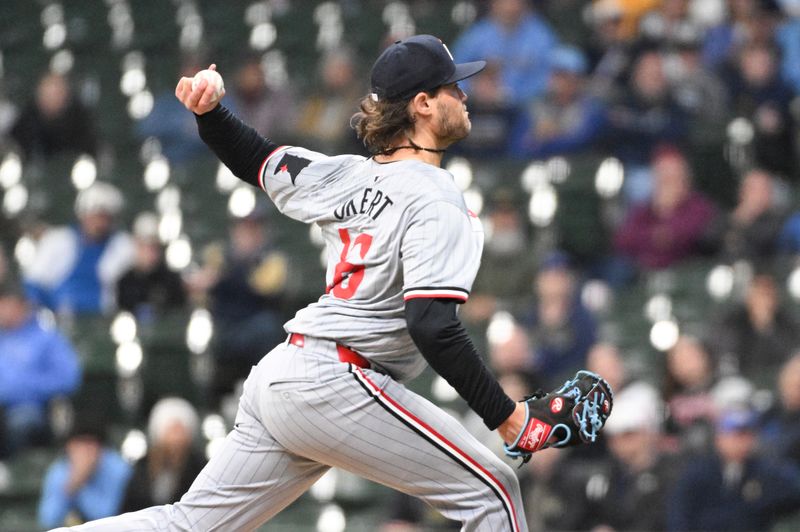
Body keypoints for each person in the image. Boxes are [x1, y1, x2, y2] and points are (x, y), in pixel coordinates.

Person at [63, 34, 610, 531]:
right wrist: (510, 419)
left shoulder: (348, 174)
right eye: (453, 88)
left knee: (189, 524)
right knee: (495, 494)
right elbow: (432, 324)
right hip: (338, 379)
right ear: (423, 103)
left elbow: (258, 159)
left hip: (284, 376)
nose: (464, 97)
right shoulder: (439, 199)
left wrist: (210, 115)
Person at [668, 408, 800, 531]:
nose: (741, 442)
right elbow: (680, 518)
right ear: (719, 438)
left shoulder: (766, 471)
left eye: (746, 435)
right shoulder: (697, 473)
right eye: (735, 435)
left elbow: (791, 492)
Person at [22, 181, 135, 316]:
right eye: (95, 216)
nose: (99, 223)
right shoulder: (57, 240)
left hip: (104, 319)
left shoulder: (123, 245)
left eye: (105, 217)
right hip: (58, 318)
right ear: (82, 214)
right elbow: (33, 283)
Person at [0, 282, 81, 457]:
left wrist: (23, 388)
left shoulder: (47, 338)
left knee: (21, 423)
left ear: (23, 306)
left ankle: (16, 477)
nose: (3, 311)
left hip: (30, 408)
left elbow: (68, 378)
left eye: (7, 305)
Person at [38, 419, 132, 529]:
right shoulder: (59, 470)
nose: (85, 451)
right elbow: (48, 520)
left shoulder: (117, 467)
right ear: (69, 446)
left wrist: (81, 480)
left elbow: (105, 516)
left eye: (91, 444)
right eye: (80, 444)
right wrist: (72, 484)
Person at [120, 397, 206, 512]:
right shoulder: (142, 467)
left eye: (181, 431)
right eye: (172, 431)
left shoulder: (200, 467)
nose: (177, 439)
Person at [9, 71, 97, 161]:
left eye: (56, 93)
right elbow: (16, 146)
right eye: (47, 93)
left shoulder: (79, 119)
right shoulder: (27, 119)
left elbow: (90, 149)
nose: (52, 98)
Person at [116, 212, 187, 322]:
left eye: (154, 247)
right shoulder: (125, 281)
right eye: (145, 246)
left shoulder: (171, 280)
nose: (150, 253)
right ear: (136, 245)